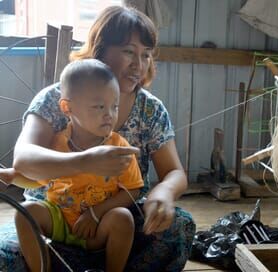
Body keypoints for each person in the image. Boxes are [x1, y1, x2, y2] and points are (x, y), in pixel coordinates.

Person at [0, 4, 195, 272]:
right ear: (100, 50)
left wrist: (164, 192)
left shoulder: (150, 109)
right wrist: (85, 162)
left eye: (146, 55)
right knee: (4, 254)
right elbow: (24, 159)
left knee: (180, 228)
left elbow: (174, 172)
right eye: (128, 52)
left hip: (111, 225)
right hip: (53, 218)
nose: (138, 64)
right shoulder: (56, 99)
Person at [14, 59, 144, 272]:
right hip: (59, 221)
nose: (109, 114)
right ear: (67, 107)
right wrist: (13, 176)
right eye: (99, 107)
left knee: (123, 218)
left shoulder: (117, 147)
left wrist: (96, 213)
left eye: (115, 106)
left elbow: (133, 189)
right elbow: (38, 180)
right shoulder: (57, 143)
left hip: (96, 229)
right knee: (26, 212)